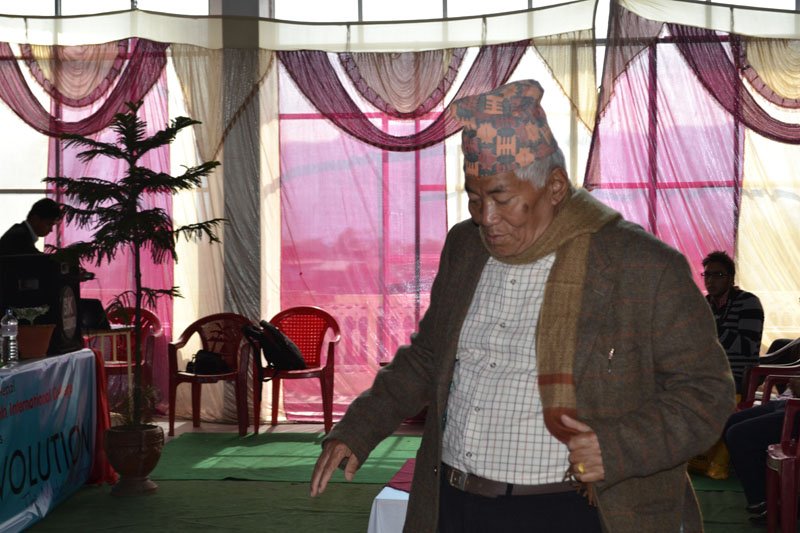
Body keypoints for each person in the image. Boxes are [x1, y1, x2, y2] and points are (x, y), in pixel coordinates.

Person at [310, 80, 735, 532]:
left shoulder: (640, 266)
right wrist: (360, 427)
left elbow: (707, 392)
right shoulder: (466, 248)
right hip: (455, 501)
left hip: (572, 510)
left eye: (502, 198)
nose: (486, 219)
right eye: (474, 199)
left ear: (554, 187)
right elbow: (429, 356)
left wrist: (616, 448)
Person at [724, 378, 800, 524]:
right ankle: (769, 497)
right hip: (788, 401)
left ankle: (768, 502)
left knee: (738, 435)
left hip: (796, 407)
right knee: (730, 422)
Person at [702, 250, 764, 394]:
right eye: (707, 274)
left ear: (731, 279)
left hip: (737, 377)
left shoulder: (748, 302)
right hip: (706, 373)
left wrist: (712, 327)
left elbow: (747, 347)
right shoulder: (704, 304)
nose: (710, 280)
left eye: (718, 275)